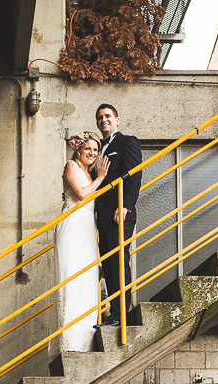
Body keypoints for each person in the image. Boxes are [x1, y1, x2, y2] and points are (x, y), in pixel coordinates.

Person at [55, 131, 111, 352]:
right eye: (88, 148)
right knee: (72, 279)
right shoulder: (71, 166)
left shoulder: (91, 173)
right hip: (72, 225)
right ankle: (70, 344)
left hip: (88, 227)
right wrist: (101, 178)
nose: (92, 153)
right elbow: (81, 194)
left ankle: (85, 343)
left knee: (88, 280)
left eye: (96, 150)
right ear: (78, 149)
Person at [90, 103, 142, 326]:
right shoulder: (98, 148)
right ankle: (114, 313)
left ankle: (122, 315)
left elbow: (133, 175)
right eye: (100, 117)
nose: (104, 120)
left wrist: (125, 205)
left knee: (119, 262)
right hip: (102, 218)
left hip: (119, 212)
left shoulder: (126, 141)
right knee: (109, 264)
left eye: (108, 116)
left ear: (117, 119)